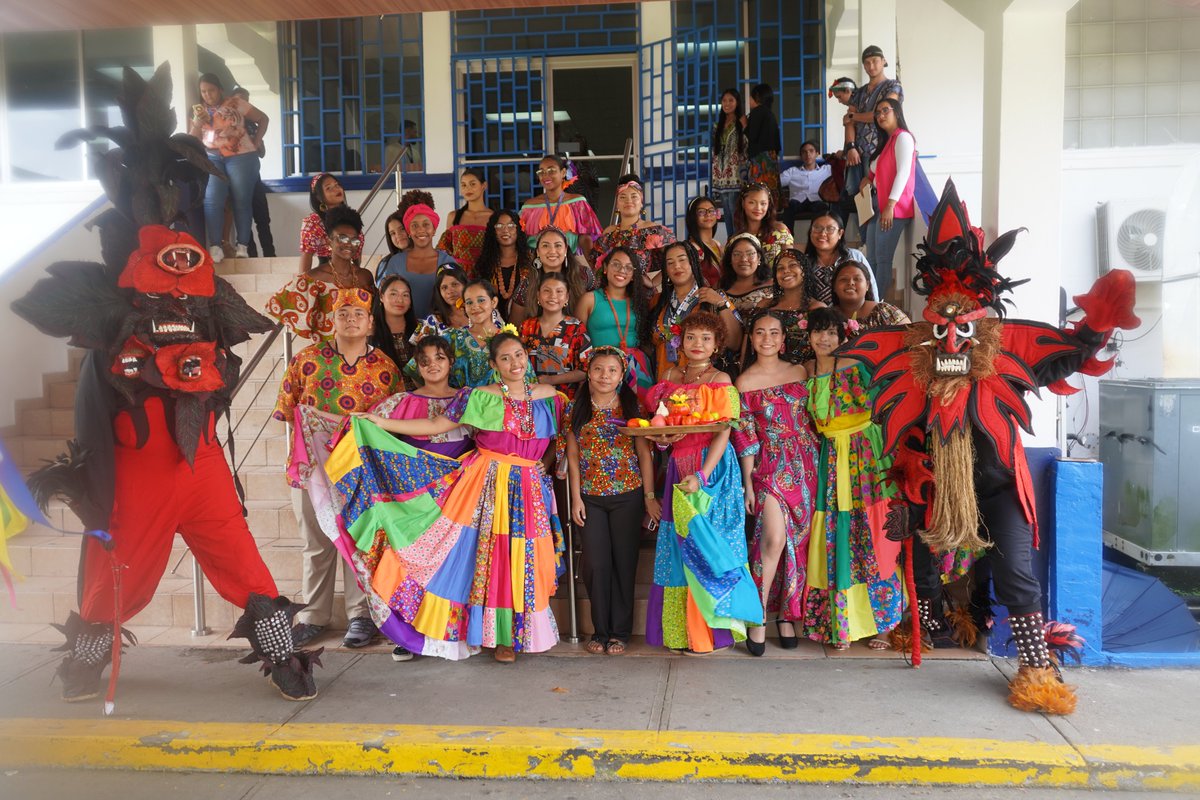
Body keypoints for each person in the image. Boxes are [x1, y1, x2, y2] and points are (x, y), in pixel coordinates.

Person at [838, 181, 1140, 713]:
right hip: (936, 484)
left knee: (1015, 575)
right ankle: (929, 626)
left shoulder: (1009, 347)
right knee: (923, 561)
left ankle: (1037, 668)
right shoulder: (910, 359)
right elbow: (904, 431)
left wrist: (1096, 327)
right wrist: (907, 485)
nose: (952, 341)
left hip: (999, 485)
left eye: (964, 331)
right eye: (941, 331)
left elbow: (1067, 356)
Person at [342, 331, 566, 662]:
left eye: (518, 355)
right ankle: (495, 637)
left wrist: (543, 465)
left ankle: (514, 636)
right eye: (505, 358)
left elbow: (560, 440)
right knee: (490, 557)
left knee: (525, 557)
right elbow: (436, 425)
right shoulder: (479, 397)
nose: (514, 363)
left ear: (526, 357)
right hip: (486, 484)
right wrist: (380, 422)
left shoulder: (550, 396)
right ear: (494, 365)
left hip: (529, 487)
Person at [273, 288, 401, 651]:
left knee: (358, 541)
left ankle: (360, 615)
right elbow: (290, 414)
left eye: (358, 314)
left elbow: (392, 422)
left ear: (371, 322)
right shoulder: (305, 360)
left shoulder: (386, 368)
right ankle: (313, 615)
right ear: (332, 320)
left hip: (361, 472)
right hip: (313, 469)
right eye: (343, 313)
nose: (350, 320)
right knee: (316, 544)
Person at [644, 311, 762, 654]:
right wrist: (663, 442)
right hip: (677, 466)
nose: (698, 344)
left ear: (717, 345)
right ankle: (683, 634)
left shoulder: (721, 379)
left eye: (706, 339)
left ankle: (715, 635)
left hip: (713, 471)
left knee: (712, 548)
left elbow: (723, 431)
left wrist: (704, 475)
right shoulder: (668, 377)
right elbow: (661, 427)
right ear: (681, 341)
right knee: (679, 550)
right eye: (691, 337)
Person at [800, 307, 902, 651]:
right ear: (808, 335)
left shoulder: (859, 365)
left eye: (831, 332)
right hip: (830, 459)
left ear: (843, 335)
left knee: (874, 535)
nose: (824, 339)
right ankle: (840, 624)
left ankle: (885, 625)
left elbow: (891, 397)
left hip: (866, 456)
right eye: (818, 332)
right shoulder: (806, 371)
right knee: (835, 537)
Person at [732, 311, 820, 655]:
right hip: (769, 464)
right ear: (751, 338)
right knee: (773, 540)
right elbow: (746, 437)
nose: (766, 338)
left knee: (799, 542)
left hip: (807, 463)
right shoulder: (743, 382)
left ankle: (786, 615)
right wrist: (748, 483)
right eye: (759, 332)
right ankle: (756, 617)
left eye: (773, 333)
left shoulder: (801, 372)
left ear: (783, 339)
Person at [564, 347, 659, 655]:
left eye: (612, 370)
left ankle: (619, 633)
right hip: (590, 498)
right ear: (588, 373)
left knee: (624, 563)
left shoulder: (632, 406)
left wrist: (649, 497)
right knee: (596, 564)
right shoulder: (575, 408)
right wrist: (576, 498)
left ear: (621, 376)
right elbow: (573, 456)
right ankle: (600, 630)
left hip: (627, 496)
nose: (605, 376)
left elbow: (644, 453)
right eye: (598, 369)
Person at [264, 205, 375, 344]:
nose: (349, 244)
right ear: (329, 241)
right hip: (327, 353)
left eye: (354, 240)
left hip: (362, 350)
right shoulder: (313, 279)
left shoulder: (365, 277)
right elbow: (281, 306)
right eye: (342, 238)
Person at [189, 73, 269, 263]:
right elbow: (191, 139)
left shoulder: (235, 103)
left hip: (242, 157)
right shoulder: (198, 111)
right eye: (203, 91)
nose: (207, 95)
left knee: (241, 200)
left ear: (220, 89)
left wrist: (257, 141)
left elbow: (263, 118)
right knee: (212, 199)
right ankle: (215, 246)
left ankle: (242, 246)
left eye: (211, 90)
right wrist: (198, 123)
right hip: (212, 157)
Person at [643, 241, 740, 381]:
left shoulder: (715, 297)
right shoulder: (657, 301)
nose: (677, 266)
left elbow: (735, 343)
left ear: (694, 263)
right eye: (670, 263)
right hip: (665, 381)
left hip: (703, 384)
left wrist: (721, 304)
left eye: (682, 260)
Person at [576, 246, 652, 399]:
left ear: (633, 275)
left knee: (639, 412)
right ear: (605, 268)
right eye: (616, 264)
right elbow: (576, 339)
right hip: (601, 367)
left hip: (636, 367)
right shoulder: (590, 299)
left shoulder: (639, 302)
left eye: (628, 267)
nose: (622, 270)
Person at [859, 97, 916, 298]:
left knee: (883, 260)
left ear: (897, 112)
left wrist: (891, 205)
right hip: (876, 206)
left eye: (885, 110)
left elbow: (903, 173)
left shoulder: (903, 138)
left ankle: (877, 304)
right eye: (877, 113)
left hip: (893, 208)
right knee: (871, 259)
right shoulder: (886, 141)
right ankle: (869, 301)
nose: (880, 115)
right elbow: (877, 171)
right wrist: (867, 179)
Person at [375, 191, 459, 319]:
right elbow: (388, 302)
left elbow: (457, 300)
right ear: (409, 231)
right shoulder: (395, 262)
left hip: (440, 327)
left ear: (434, 230)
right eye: (414, 226)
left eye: (426, 224)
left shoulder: (447, 261)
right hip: (405, 327)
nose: (420, 230)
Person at [843, 45, 903, 222]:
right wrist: (850, 146)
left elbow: (880, 115)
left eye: (875, 61)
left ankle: (876, 232)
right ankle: (864, 236)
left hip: (881, 150)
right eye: (867, 63)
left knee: (877, 195)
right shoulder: (859, 92)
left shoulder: (893, 86)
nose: (871, 66)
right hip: (858, 153)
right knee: (858, 197)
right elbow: (848, 122)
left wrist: (854, 116)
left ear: (883, 61)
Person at [589, 173, 676, 278]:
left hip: (640, 288)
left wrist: (654, 282)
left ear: (641, 202)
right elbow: (596, 266)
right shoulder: (609, 233)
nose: (628, 201)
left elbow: (675, 259)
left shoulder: (654, 230)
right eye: (623, 197)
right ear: (617, 204)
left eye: (634, 196)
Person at [519, 272, 590, 398]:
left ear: (567, 297)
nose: (553, 296)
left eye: (559, 291)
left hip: (564, 399)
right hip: (532, 398)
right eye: (547, 291)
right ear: (538, 295)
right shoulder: (527, 327)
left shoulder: (576, 328)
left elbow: (586, 369)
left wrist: (551, 380)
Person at [425, 280, 504, 389]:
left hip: (499, 400)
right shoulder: (452, 337)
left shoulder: (508, 340)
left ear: (493, 302)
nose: (475, 306)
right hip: (457, 400)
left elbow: (523, 380)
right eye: (469, 302)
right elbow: (417, 368)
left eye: (481, 300)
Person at [519, 154, 603, 256]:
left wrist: (591, 261)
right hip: (537, 262)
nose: (545, 175)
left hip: (570, 261)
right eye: (541, 172)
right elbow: (521, 239)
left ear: (563, 172)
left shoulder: (577, 202)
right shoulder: (529, 206)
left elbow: (585, 237)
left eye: (551, 170)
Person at [753, 248, 826, 364]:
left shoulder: (817, 308)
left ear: (804, 270)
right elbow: (749, 345)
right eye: (780, 268)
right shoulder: (764, 305)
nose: (786, 270)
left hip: (807, 372)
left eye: (793, 265)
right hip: (767, 372)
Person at [230, 86, 275, 258]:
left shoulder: (253, 125)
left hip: (255, 178)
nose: (243, 103)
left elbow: (262, 153)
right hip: (237, 180)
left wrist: (256, 143)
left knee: (263, 218)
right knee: (244, 220)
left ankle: (270, 255)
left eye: (246, 100)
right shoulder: (227, 123)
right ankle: (252, 256)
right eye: (240, 100)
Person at [802, 211, 879, 305]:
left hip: (854, 313)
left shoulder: (854, 256)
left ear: (840, 233)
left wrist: (874, 309)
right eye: (817, 228)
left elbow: (871, 289)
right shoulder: (803, 263)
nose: (823, 233)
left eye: (830, 229)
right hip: (816, 314)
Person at [475, 209, 533, 326]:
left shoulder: (531, 260)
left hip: (526, 326)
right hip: (491, 326)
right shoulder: (485, 263)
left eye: (511, 225)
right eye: (499, 226)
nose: (505, 230)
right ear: (493, 231)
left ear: (518, 229)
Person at [298, 174, 361, 273]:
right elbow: (306, 255)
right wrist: (304, 280)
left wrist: (357, 275)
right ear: (319, 197)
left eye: (337, 185)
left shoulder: (351, 217)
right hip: (326, 275)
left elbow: (357, 256)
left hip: (350, 274)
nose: (336, 189)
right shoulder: (314, 221)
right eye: (329, 188)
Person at [436, 168, 492, 277]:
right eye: (464, 185)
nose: (468, 189)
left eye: (472, 184)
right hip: (459, 278)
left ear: (484, 185)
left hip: (486, 277)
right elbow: (443, 251)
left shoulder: (493, 217)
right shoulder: (453, 217)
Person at [526, 226, 594, 316]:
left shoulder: (584, 275)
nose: (552, 251)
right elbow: (515, 322)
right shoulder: (528, 280)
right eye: (545, 245)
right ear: (538, 251)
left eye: (558, 245)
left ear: (565, 250)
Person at [831, 259, 910, 332]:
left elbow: (912, 337)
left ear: (867, 285)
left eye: (857, 279)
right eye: (844, 279)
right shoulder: (828, 317)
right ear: (834, 286)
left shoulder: (884, 311)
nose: (850, 283)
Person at [711, 88, 747, 239]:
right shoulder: (717, 125)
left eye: (731, 100)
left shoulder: (742, 121)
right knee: (726, 212)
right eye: (724, 100)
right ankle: (731, 241)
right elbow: (715, 150)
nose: (727, 103)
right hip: (721, 175)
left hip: (735, 174)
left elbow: (747, 144)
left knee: (735, 211)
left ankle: (738, 241)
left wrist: (745, 127)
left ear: (737, 102)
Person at [372, 275, 417, 389]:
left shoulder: (421, 329)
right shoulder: (369, 330)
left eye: (405, 295)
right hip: (384, 395)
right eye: (393, 294)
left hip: (420, 394)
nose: (400, 300)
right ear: (381, 297)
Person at [733, 183, 793, 267]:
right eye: (752, 202)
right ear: (743, 203)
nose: (758, 208)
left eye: (763, 203)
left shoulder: (780, 230)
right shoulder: (736, 238)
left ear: (768, 205)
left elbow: (790, 263)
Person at [720, 233, 775, 321]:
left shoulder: (774, 286)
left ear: (759, 258)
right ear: (730, 259)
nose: (744, 259)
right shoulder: (720, 287)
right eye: (737, 254)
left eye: (750, 254)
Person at [744, 83, 782, 207]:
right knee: (770, 193)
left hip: (760, 160)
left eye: (751, 97)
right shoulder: (769, 114)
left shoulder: (757, 112)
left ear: (757, 97)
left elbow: (752, 136)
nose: (749, 100)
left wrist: (744, 126)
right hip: (771, 158)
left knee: (758, 194)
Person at [779, 141, 831, 231]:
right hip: (796, 202)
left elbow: (842, 167)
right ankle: (787, 237)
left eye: (811, 151)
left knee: (823, 208)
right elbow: (776, 182)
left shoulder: (826, 170)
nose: (808, 154)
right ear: (801, 156)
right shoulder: (792, 171)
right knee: (789, 206)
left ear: (817, 154)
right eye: (804, 152)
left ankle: (815, 235)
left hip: (816, 201)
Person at [410, 265, 469, 342]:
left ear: (466, 285)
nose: (450, 291)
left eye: (454, 284)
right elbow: (416, 347)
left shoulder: (479, 313)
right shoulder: (432, 321)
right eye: (444, 287)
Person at [684, 195, 723, 288]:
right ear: (693, 217)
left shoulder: (717, 244)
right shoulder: (691, 248)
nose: (708, 214)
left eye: (711, 211)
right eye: (701, 212)